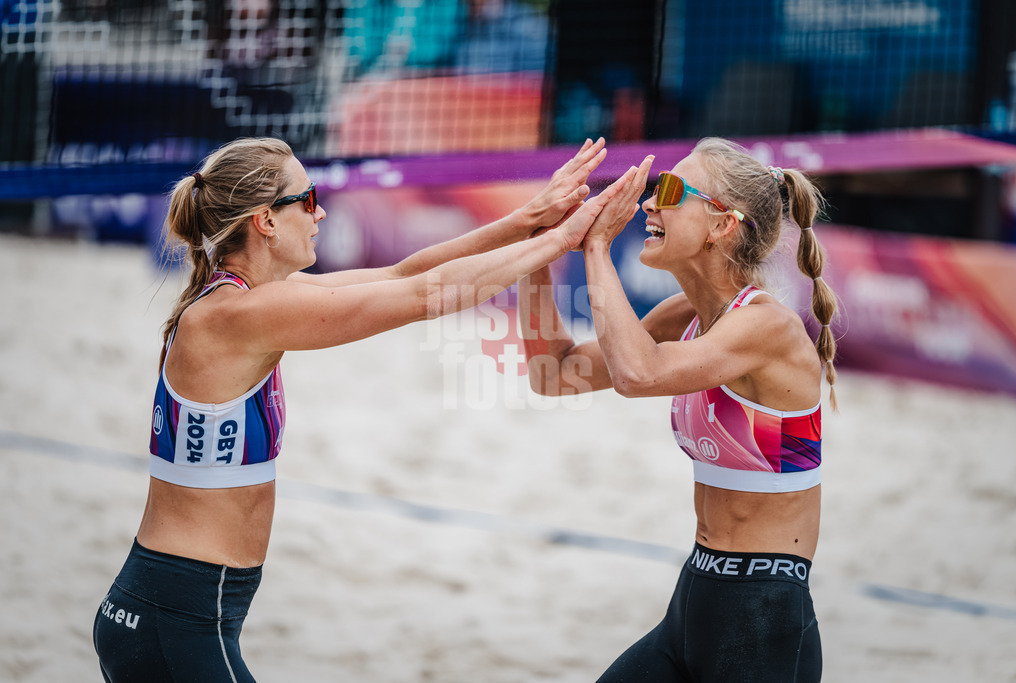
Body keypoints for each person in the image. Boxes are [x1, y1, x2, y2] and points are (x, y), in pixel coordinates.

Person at [91, 135, 645, 682]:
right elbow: (425, 296)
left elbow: (403, 274)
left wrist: (529, 218)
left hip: (177, 608)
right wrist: (566, 236)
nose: (322, 211)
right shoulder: (239, 314)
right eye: (307, 200)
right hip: (177, 615)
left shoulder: (245, 299)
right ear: (265, 220)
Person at [518, 137, 838, 682]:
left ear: (722, 225)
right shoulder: (683, 315)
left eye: (668, 190)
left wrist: (597, 249)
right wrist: (538, 245)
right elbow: (554, 372)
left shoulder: (767, 327)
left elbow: (638, 374)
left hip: (763, 617)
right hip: (695, 597)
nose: (648, 203)